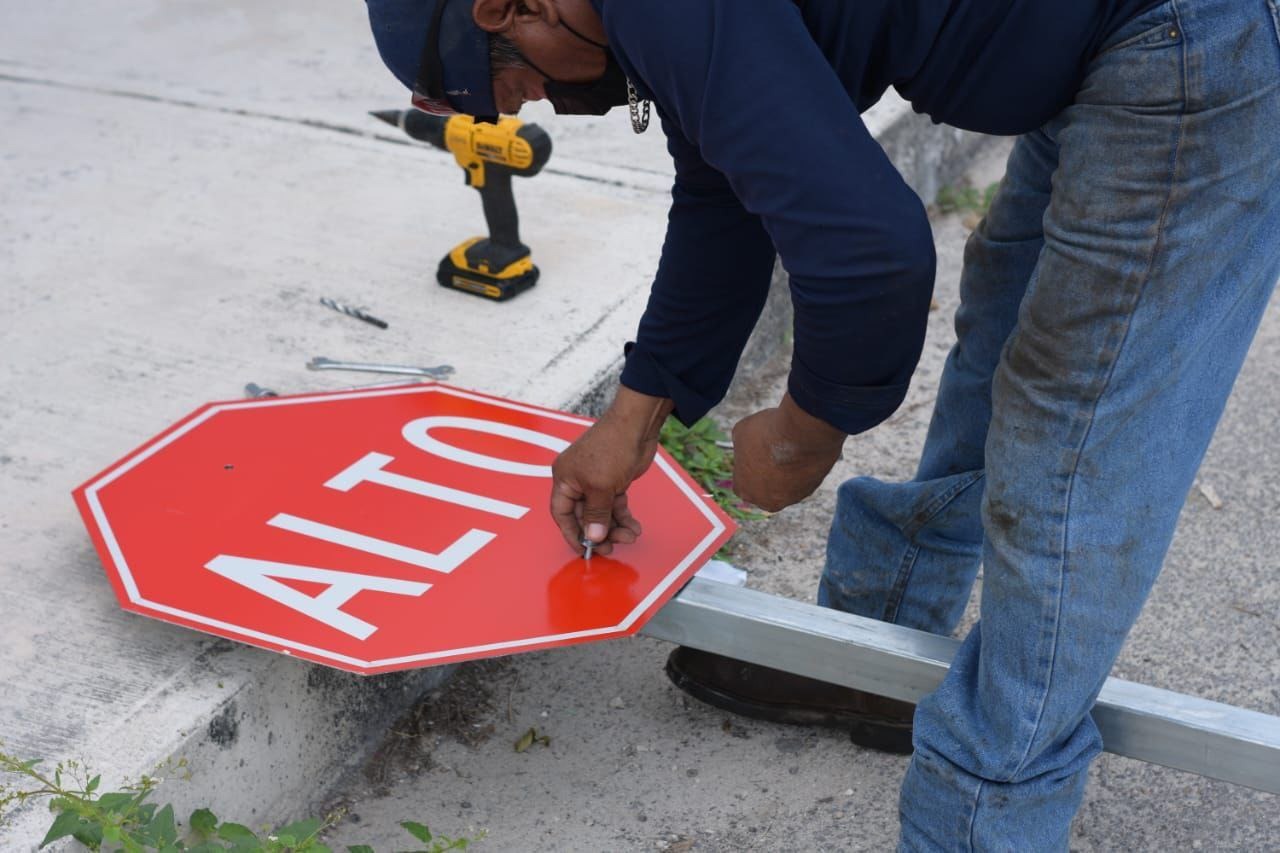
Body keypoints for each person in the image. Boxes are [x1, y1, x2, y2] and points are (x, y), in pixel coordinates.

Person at [366, 0, 1280, 847]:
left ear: (510, 6)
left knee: (1073, 434)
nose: (548, 107)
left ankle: (980, 820)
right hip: (1100, 41)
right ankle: (877, 653)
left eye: (521, 83)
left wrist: (808, 429)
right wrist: (634, 416)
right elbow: (724, 189)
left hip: (1181, 38)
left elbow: (871, 256)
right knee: (1008, 327)